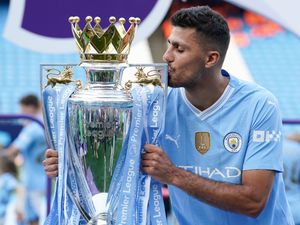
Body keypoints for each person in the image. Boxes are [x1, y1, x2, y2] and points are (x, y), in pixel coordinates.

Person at [43, 6, 294, 225]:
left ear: (210, 59)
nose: (166, 57)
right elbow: (114, 165)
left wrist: (173, 175)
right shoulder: (156, 104)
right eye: (168, 44)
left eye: (179, 49)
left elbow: (254, 201)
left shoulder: (259, 105)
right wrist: (72, 165)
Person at [2, 95, 47, 225]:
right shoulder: (45, 125)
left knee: (34, 219)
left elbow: (13, 150)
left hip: (33, 182)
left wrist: (4, 154)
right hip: (44, 180)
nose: (20, 114)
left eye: (22, 109)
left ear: (31, 108)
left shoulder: (32, 128)